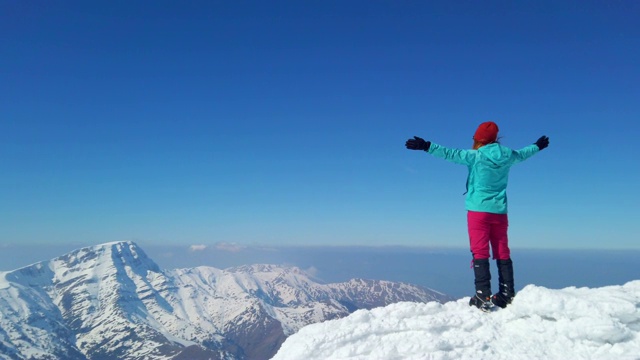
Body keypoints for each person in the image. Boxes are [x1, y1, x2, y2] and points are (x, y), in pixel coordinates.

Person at [405, 121, 549, 311]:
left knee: (480, 251)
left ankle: (483, 296)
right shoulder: (508, 156)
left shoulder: (475, 156)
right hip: (499, 211)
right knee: (502, 250)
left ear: (478, 140)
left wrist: (426, 145)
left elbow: (450, 153)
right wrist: (537, 146)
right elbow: (524, 154)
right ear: (495, 139)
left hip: (478, 210)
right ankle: (507, 293)